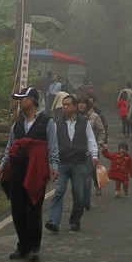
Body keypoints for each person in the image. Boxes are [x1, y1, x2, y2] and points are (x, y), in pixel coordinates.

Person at [0, 86, 58, 262]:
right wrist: (2, 165)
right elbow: (10, 146)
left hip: (36, 169)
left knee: (34, 207)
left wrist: (54, 166)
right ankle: (22, 244)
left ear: (30, 100)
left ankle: (33, 246)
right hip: (17, 168)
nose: (19, 102)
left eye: (21, 98)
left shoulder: (47, 122)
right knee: (18, 207)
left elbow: (52, 147)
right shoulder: (17, 124)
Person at [45, 94, 100, 234]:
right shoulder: (57, 124)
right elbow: (52, 144)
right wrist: (52, 163)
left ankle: (75, 221)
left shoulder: (84, 122)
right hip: (62, 163)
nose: (65, 107)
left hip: (79, 163)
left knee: (79, 194)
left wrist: (94, 155)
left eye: (68, 104)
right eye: (63, 105)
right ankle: (53, 221)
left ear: (75, 107)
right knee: (59, 191)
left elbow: (91, 140)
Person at [76, 95, 105, 207]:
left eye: (84, 103)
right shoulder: (74, 117)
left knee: (89, 174)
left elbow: (101, 131)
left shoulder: (94, 116)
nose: (81, 105)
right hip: (77, 152)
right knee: (79, 176)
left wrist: (98, 145)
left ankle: (88, 197)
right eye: (79, 103)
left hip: (91, 150)